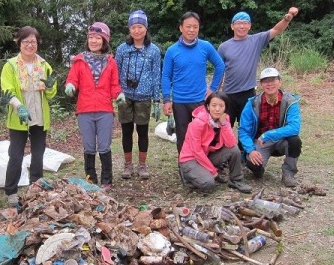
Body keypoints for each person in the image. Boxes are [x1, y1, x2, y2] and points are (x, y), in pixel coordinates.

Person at [0, 26, 57, 208]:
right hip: (19, 118)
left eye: (33, 42)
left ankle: (36, 188)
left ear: (37, 44)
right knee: (16, 155)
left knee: (38, 154)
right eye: (26, 42)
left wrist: (49, 87)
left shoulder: (44, 65)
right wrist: (19, 106)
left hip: (40, 116)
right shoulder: (11, 66)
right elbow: (7, 90)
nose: (30, 45)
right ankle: (11, 192)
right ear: (19, 43)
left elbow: (51, 94)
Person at [65, 22, 124, 189]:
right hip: (85, 109)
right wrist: (70, 86)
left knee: (104, 145)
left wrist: (119, 94)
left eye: (98, 38)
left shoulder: (111, 62)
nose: (94, 41)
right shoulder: (79, 60)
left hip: (105, 109)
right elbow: (72, 79)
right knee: (89, 146)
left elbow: (114, 85)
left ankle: (107, 180)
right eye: (91, 37)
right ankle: (90, 180)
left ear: (104, 41)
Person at [218, 7, 299, 128]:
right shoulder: (224, 47)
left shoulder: (256, 40)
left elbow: (276, 30)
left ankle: (246, 147)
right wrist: (216, 93)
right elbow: (219, 71)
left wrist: (287, 18)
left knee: (247, 127)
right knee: (224, 127)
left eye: (245, 23)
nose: (242, 26)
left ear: (249, 26)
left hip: (248, 93)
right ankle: (224, 147)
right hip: (228, 94)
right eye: (238, 23)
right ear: (232, 26)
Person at [162, 11, 225, 153]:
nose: (191, 30)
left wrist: (213, 89)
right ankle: (185, 169)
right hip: (180, 102)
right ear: (181, 28)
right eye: (188, 26)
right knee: (183, 137)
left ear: (198, 28)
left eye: (195, 27)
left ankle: (204, 168)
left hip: (200, 100)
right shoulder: (172, 51)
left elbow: (220, 65)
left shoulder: (205, 46)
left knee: (203, 135)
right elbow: (166, 75)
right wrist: (166, 99)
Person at [115, 10, 162, 180]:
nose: (137, 30)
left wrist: (157, 100)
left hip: (144, 96)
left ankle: (142, 165)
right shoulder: (122, 49)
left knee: (142, 132)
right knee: (126, 131)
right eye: (133, 27)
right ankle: (128, 165)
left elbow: (157, 75)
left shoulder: (154, 50)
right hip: (125, 96)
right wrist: (117, 92)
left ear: (146, 28)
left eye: (140, 26)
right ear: (129, 29)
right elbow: (116, 72)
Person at [239, 67, 302, 188]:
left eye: (273, 80)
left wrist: (268, 135)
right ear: (261, 84)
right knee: (254, 165)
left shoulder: (291, 101)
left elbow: (294, 127)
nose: (269, 84)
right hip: (260, 142)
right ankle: (258, 169)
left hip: (281, 140)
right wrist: (251, 150)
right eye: (265, 81)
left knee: (295, 141)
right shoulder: (252, 103)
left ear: (280, 82)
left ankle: (288, 173)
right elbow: (243, 130)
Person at [179, 92, 252, 193]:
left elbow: (231, 144)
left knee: (234, 150)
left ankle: (236, 180)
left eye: (221, 106)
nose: (217, 109)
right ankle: (187, 176)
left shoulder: (224, 119)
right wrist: (213, 172)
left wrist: (224, 124)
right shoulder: (197, 123)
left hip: (207, 155)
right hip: (191, 159)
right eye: (214, 105)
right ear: (208, 106)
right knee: (208, 183)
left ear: (225, 108)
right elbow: (196, 151)